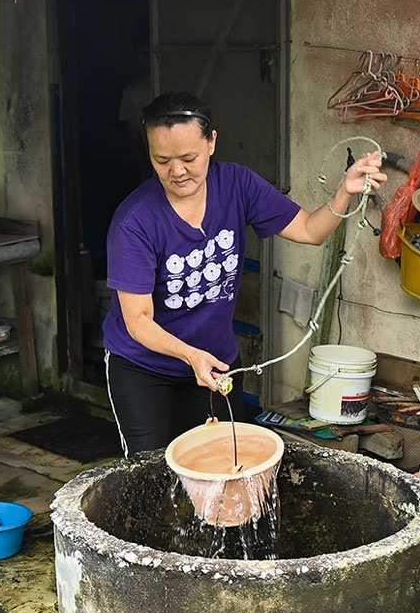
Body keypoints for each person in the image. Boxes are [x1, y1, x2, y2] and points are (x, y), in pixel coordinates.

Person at [102, 92, 386, 454]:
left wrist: (344, 193)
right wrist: (191, 356)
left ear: (211, 143)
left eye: (188, 158)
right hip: (144, 368)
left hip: (216, 364)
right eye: (162, 160)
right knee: (152, 472)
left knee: (225, 464)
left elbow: (310, 231)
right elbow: (138, 320)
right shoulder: (136, 221)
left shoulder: (236, 184)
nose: (177, 171)